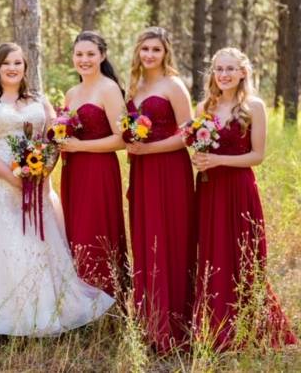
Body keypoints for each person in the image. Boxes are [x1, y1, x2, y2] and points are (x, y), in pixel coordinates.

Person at [0, 43, 114, 336]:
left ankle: (40, 313)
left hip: (36, 183)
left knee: (35, 245)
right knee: (1, 246)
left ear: (25, 67)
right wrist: (13, 178)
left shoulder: (39, 100)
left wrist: (43, 172)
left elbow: (54, 138)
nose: (12, 68)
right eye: (6, 63)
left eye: (18, 63)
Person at [192, 47, 297, 350]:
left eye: (230, 69)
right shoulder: (204, 108)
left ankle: (249, 324)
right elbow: (199, 150)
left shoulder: (254, 106)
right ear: (213, 73)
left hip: (238, 187)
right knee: (213, 252)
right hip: (209, 188)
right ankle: (213, 325)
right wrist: (201, 161)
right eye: (218, 69)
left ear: (242, 73)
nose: (223, 74)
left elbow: (258, 155)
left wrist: (218, 161)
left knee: (242, 253)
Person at [125, 27, 195, 351]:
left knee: (169, 238)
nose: (150, 55)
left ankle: (176, 325)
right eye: (145, 49)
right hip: (142, 171)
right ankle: (150, 323)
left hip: (169, 170)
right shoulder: (135, 86)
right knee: (146, 240)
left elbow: (188, 133)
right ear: (138, 52)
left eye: (156, 49)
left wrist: (149, 150)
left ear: (166, 52)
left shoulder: (173, 84)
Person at [59, 31, 128, 297]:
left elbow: (122, 140)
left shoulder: (109, 89)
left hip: (99, 170)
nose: (84, 59)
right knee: (75, 232)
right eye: (79, 54)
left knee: (96, 232)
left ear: (102, 55)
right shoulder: (71, 92)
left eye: (90, 54)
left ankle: (105, 300)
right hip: (73, 172)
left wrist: (81, 146)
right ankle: (81, 302)